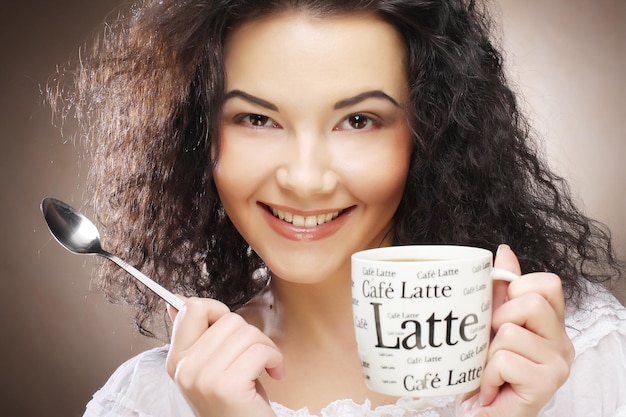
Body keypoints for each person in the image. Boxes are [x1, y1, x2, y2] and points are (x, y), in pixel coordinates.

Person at [49, 0, 626, 416]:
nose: (305, 179)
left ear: (431, 133)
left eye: (358, 120)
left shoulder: (582, 358)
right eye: (256, 118)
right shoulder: (147, 404)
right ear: (197, 138)